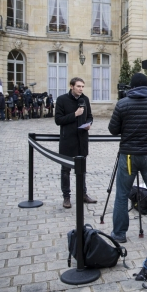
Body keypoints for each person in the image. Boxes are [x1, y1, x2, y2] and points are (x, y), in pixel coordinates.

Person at [108, 73, 147, 243]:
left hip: (128, 156)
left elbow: (113, 129)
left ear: (132, 87)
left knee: (122, 194)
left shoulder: (122, 104)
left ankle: (120, 233)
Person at [55, 77, 97, 209]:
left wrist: (89, 124)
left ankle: (83, 194)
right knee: (65, 170)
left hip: (82, 139)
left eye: (83, 86)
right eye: (79, 86)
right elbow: (58, 120)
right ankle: (66, 197)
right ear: (71, 86)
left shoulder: (85, 99)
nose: (81, 89)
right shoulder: (62, 100)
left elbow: (90, 116)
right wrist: (75, 114)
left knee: (82, 170)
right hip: (68, 140)